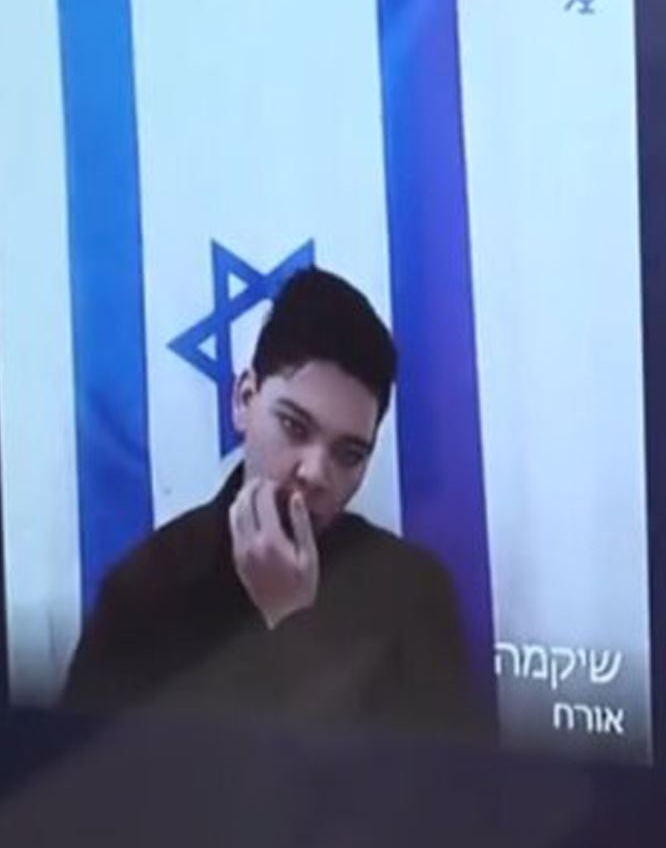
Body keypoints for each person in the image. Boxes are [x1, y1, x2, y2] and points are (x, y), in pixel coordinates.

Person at [62, 269, 488, 740]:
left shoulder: (412, 595)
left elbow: (438, 784)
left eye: (348, 454)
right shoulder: (143, 593)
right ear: (244, 400)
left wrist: (292, 622)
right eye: (294, 427)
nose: (315, 473)